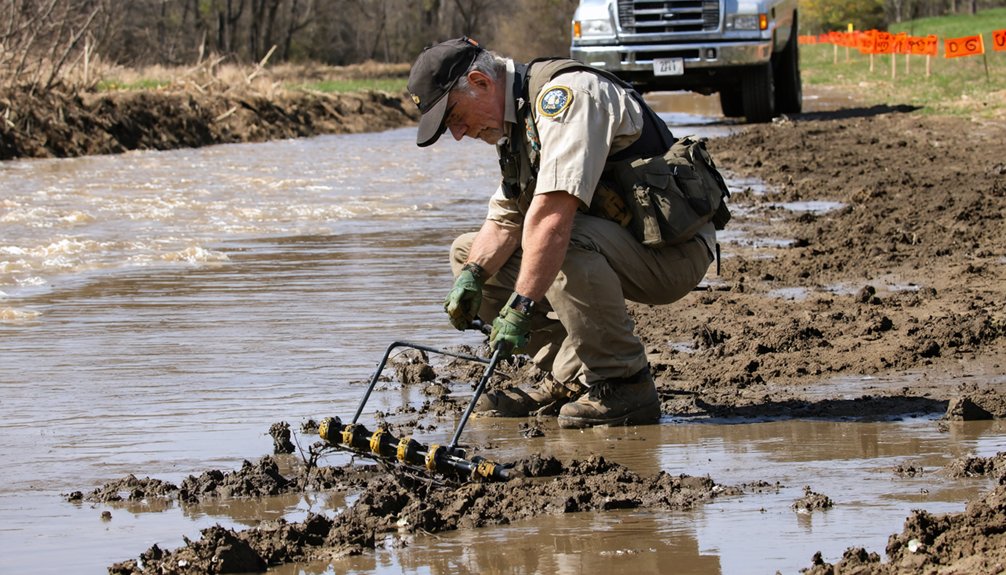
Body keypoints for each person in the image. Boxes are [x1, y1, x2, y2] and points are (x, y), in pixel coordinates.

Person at [406, 37, 717, 429]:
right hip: (617, 241)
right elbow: (505, 220)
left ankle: (625, 384)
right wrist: (472, 275)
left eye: (453, 116)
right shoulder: (517, 121)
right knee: (467, 254)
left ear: (480, 82)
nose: (457, 133)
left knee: (561, 239)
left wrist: (520, 308)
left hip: (672, 251)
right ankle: (574, 377)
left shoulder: (567, 98)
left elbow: (553, 218)